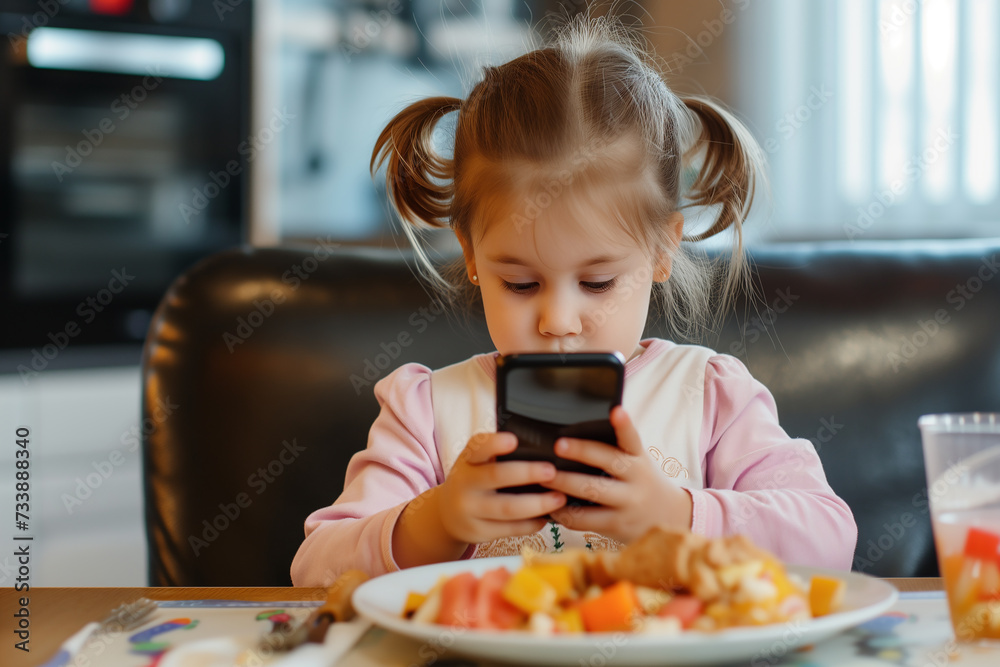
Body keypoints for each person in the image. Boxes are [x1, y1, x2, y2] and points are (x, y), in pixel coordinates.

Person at [291, 16, 856, 586]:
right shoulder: (425, 413)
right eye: (521, 284)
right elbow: (314, 571)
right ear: (470, 252)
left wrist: (676, 514)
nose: (558, 322)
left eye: (597, 283)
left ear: (663, 249)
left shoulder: (711, 396)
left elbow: (830, 541)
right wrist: (436, 521)